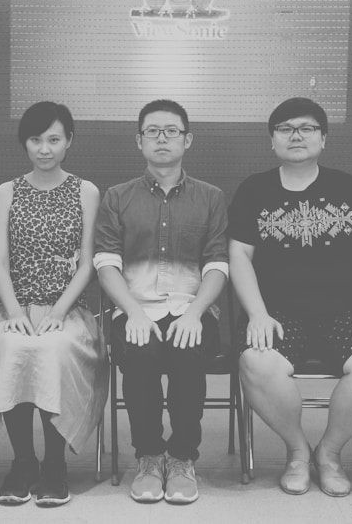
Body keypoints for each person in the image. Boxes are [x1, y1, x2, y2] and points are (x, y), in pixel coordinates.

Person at [228, 97, 352, 497]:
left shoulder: (349, 187)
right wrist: (257, 313)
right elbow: (238, 255)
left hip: (344, 312)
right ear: (272, 141)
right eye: (285, 129)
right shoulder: (254, 190)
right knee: (256, 361)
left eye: (306, 128)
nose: (296, 135)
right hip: (279, 314)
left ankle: (330, 454)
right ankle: (298, 451)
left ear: (323, 137)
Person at [0, 101, 108, 507]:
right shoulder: (6, 192)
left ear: (68, 142)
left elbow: (87, 263)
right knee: (11, 347)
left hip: (70, 309)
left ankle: (54, 465)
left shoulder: (85, 191)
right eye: (35, 139)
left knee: (53, 349)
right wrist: (13, 313)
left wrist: (59, 312)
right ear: (24, 143)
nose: (44, 148)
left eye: (54, 139)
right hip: (15, 305)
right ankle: (24, 461)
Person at [94, 99, 228, 504]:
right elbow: (105, 263)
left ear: (187, 140)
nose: (162, 138)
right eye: (152, 131)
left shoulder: (211, 197)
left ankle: (184, 457)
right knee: (139, 353)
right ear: (139, 141)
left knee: (189, 354)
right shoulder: (117, 197)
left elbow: (218, 265)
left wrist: (196, 313)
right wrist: (132, 310)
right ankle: (150, 457)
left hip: (193, 307)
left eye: (171, 131)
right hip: (135, 309)